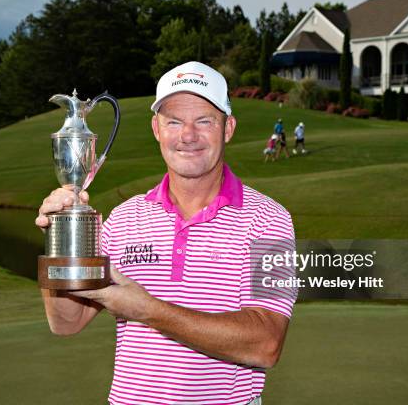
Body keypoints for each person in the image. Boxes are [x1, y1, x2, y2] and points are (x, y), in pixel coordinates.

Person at [36, 61, 297, 405]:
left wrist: (147, 309)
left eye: (204, 120)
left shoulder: (269, 220)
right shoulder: (124, 218)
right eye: (174, 121)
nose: (188, 135)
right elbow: (66, 322)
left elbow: (266, 344)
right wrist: (60, 238)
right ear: (157, 129)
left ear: (228, 128)